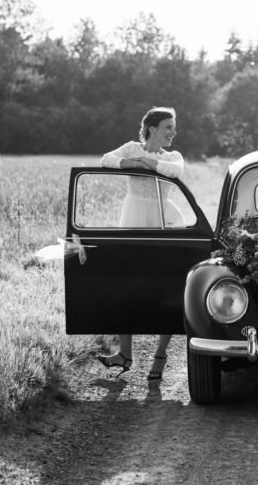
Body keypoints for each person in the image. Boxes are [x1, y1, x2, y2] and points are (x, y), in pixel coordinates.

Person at [96, 106, 184, 380]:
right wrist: (136, 163)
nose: (173, 132)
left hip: (163, 222)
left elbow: (175, 171)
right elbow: (106, 160)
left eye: (174, 127)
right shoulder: (132, 147)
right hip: (133, 220)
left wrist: (148, 164)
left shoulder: (174, 155)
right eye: (168, 127)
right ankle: (125, 354)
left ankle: (160, 355)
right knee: (128, 287)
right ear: (152, 128)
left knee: (166, 289)